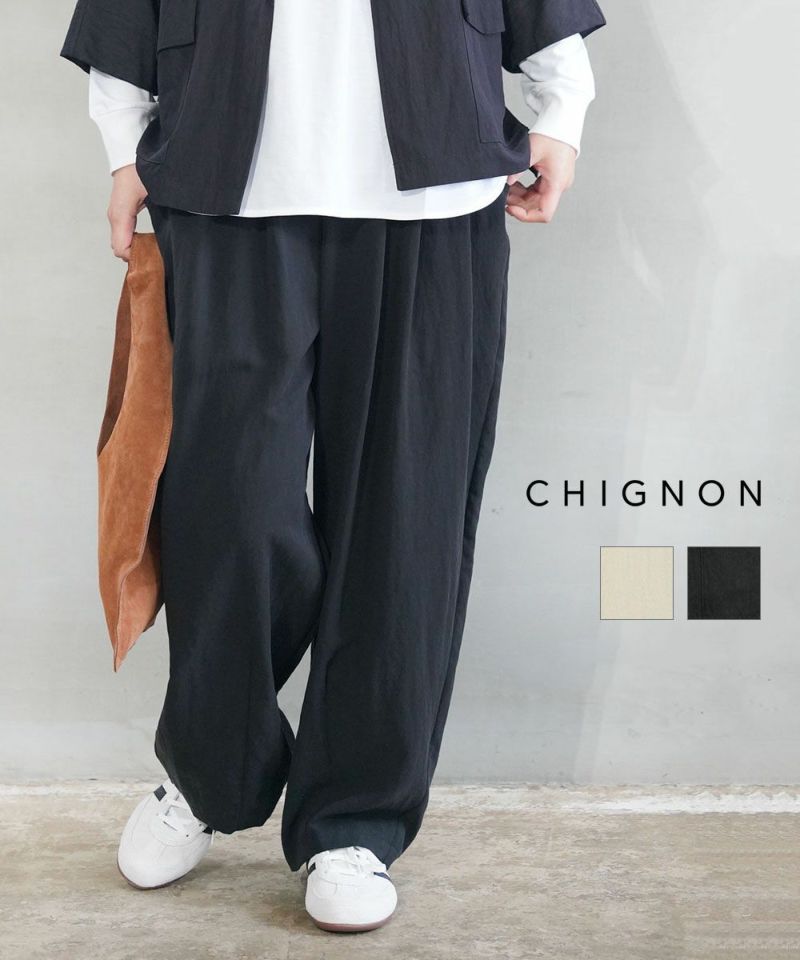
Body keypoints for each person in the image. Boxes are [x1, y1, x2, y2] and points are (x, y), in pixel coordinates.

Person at [61, 0, 605, 933]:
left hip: (433, 195)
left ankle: (355, 821)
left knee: (406, 517)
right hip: (226, 188)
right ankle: (209, 770)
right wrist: (122, 150)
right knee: (230, 510)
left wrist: (561, 110)